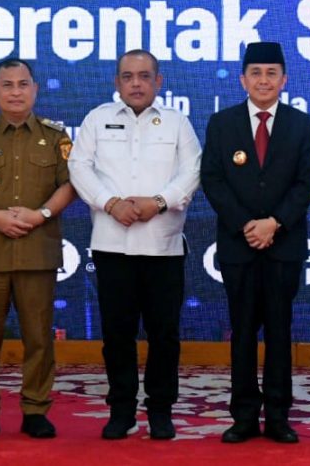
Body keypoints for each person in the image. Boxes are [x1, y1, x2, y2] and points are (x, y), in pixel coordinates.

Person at [68, 50, 202, 440]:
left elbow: (192, 170)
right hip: (112, 245)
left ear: (159, 82)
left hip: (163, 247)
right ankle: (122, 410)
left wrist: (157, 202)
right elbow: (79, 167)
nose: (137, 83)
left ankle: (160, 410)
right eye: (128, 77)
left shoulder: (177, 123)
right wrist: (110, 203)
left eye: (145, 76)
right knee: (117, 334)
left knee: (164, 335)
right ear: (117, 83)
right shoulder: (97, 119)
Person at [0, 58, 75, 440]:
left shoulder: (57, 138)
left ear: (35, 90)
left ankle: (36, 409)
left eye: (23, 84)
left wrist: (39, 215)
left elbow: (69, 186)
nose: (16, 91)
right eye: (8, 85)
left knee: (39, 337)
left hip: (37, 251)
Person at [200, 42, 310, 444]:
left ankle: (280, 416)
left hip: (283, 246)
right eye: (256, 73)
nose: (263, 80)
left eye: (271, 73)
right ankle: (245, 415)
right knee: (243, 332)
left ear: (284, 80)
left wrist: (275, 223)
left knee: (281, 333)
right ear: (243, 79)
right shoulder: (222, 123)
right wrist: (247, 225)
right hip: (238, 246)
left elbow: (306, 184)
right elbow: (212, 180)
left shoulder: (300, 124)